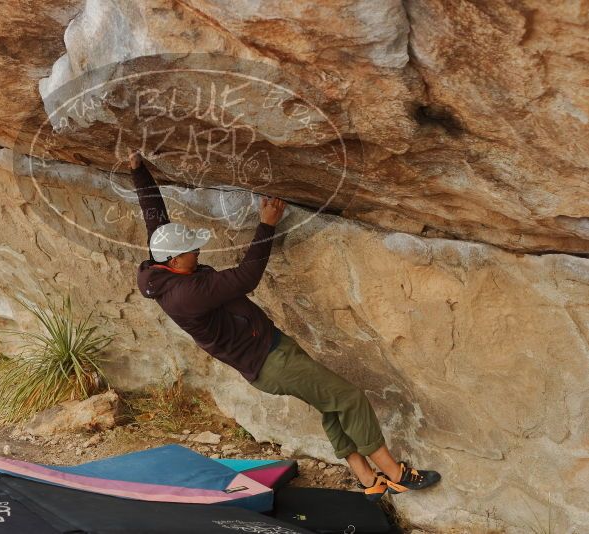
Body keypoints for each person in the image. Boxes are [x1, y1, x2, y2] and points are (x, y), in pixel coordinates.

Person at [129, 151, 440, 501]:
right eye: (192, 250)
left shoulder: (161, 263)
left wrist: (138, 171)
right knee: (350, 399)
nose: (198, 252)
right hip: (271, 363)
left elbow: (153, 214)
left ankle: (368, 480)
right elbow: (247, 277)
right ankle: (397, 474)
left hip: (270, 351)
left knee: (331, 402)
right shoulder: (186, 295)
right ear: (174, 261)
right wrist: (267, 224)